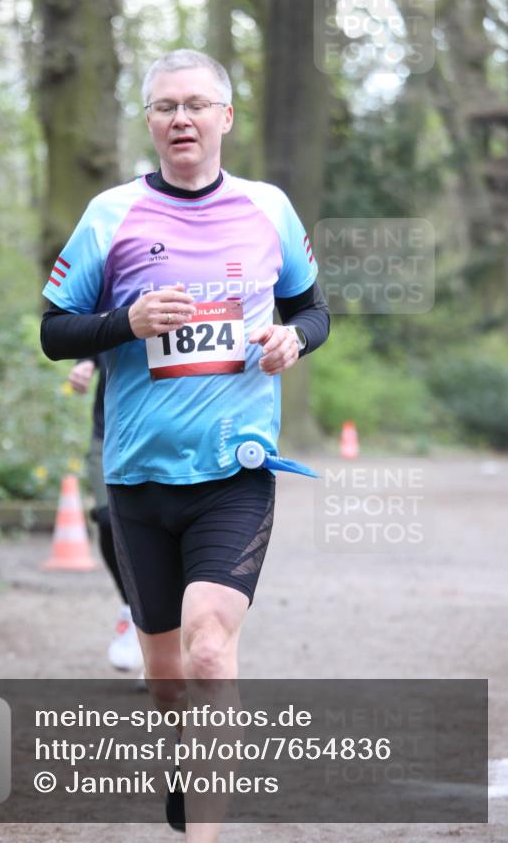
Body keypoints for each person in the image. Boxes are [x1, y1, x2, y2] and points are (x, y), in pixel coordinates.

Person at [41, 48, 330, 839]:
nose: (181, 118)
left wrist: (293, 342)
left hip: (234, 473)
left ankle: (202, 833)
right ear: (149, 121)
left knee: (209, 651)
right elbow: (53, 332)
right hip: (138, 478)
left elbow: (313, 310)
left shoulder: (268, 208)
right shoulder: (111, 214)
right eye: (166, 106)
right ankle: (188, 764)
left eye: (197, 105)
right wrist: (123, 324)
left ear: (224, 118)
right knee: (167, 676)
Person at [67, 356, 143, 674]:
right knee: (108, 519)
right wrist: (86, 360)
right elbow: (99, 322)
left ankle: (163, 633)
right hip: (110, 433)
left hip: (169, 434)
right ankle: (132, 610)